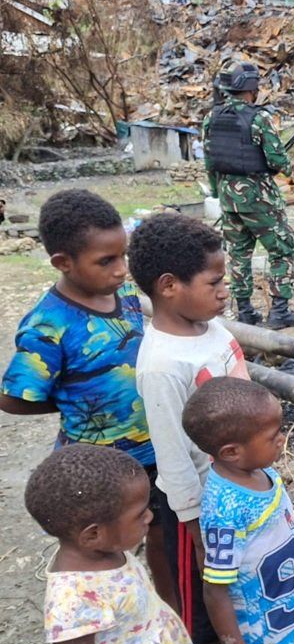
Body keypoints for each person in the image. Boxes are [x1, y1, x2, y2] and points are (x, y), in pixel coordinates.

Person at [0, 189, 175, 606]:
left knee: (160, 531)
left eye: (122, 257)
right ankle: (98, 621)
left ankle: (170, 611)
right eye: (106, 261)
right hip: (99, 466)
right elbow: (14, 397)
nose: (120, 270)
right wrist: (72, 399)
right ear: (63, 262)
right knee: (104, 546)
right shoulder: (49, 325)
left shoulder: (126, 297)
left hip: (153, 449)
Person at [130, 212, 250, 644]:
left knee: (234, 584)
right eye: (214, 281)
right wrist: (196, 526)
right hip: (195, 508)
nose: (225, 291)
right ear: (168, 286)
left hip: (235, 485)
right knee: (202, 598)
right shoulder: (162, 366)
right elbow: (173, 459)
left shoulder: (212, 330)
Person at [25, 443, 213, 644]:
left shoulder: (106, 549)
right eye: (139, 514)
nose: (150, 516)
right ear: (93, 534)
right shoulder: (73, 599)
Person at [184, 378, 294, 644]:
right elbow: (215, 589)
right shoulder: (225, 510)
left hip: (288, 623)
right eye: (272, 436)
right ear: (232, 452)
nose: (281, 439)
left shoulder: (262, 472)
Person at [202, 59, 294, 330]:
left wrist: (217, 193)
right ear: (250, 88)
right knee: (282, 249)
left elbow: (210, 161)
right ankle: (280, 312)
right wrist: (287, 165)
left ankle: (245, 312)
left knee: (238, 254)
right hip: (259, 199)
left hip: (228, 200)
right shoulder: (259, 117)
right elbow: (278, 161)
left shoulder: (211, 117)